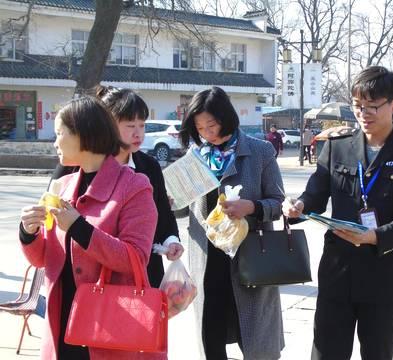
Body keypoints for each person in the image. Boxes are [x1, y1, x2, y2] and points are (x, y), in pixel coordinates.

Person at [283, 66, 393, 360]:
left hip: (385, 273)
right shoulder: (337, 146)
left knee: (377, 354)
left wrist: (375, 236)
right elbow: (316, 193)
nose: (364, 114)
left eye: (372, 107)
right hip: (337, 271)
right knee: (326, 352)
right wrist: (300, 206)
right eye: (358, 107)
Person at [19, 97, 160, 359]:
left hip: (109, 327)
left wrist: (79, 229)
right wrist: (28, 233)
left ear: (83, 135)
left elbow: (135, 259)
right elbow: (43, 258)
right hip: (62, 322)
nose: (55, 142)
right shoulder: (62, 185)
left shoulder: (134, 186)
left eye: (60, 133)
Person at [178, 86, 285, 360]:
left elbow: (277, 203)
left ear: (226, 118)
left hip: (250, 260)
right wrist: (168, 201)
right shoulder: (195, 157)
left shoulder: (260, 151)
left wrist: (252, 207)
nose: (206, 133)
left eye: (211, 125)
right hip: (207, 261)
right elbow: (182, 209)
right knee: (210, 336)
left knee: (255, 339)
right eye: (199, 127)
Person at [50, 86, 183, 287]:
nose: (138, 133)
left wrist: (171, 240)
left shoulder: (149, 166)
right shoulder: (75, 166)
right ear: (107, 124)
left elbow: (163, 213)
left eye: (142, 125)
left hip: (140, 279)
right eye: (130, 126)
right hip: (86, 282)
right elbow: (51, 226)